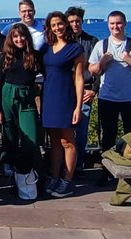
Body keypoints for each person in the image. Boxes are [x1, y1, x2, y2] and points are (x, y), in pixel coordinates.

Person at [88, 10, 131, 183]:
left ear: (124, 24)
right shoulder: (101, 45)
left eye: (118, 23)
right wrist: (102, 62)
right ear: (108, 25)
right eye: (112, 23)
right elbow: (92, 70)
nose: (115, 26)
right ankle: (107, 170)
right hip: (107, 98)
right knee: (107, 136)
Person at [40, 11, 84, 198]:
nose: (57, 28)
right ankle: (55, 176)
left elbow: (80, 78)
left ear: (65, 24)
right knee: (55, 141)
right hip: (49, 97)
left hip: (66, 97)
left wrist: (78, 106)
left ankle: (67, 179)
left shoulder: (75, 48)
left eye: (59, 24)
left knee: (67, 141)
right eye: (53, 25)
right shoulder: (46, 47)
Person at [0, 23, 42, 183]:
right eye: (15, 36)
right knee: (9, 135)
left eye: (22, 36)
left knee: (32, 138)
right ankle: (12, 169)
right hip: (8, 95)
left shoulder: (35, 56)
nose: (19, 39)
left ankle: (35, 172)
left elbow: (47, 76)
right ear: (10, 39)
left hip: (27, 97)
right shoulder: (5, 57)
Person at [65, 6, 100, 172]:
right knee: (64, 129)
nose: (74, 24)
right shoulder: (62, 41)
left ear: (82, 21)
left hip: (85, 91)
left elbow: (99, 69)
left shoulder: (92, 41)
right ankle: (64, 164)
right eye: (71, 21)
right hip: (66, 92)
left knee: (81, 130)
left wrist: (94, 89)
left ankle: (78, 165)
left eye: (77, 21)